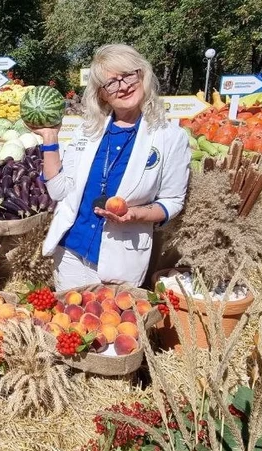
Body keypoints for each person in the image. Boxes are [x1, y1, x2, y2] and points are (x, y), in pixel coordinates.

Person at [34, 44, 191, 291]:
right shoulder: (87, 131)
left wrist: (135, 214)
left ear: (143, 75)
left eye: (129, 75)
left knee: (113, 326)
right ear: (102, 94)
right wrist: (50, 138)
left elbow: (172, 201)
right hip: (70, 253)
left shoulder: (170, 137)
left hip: (121, 261)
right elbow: (58, 191)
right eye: (111, 83)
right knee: (71, 326)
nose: (123, 86)